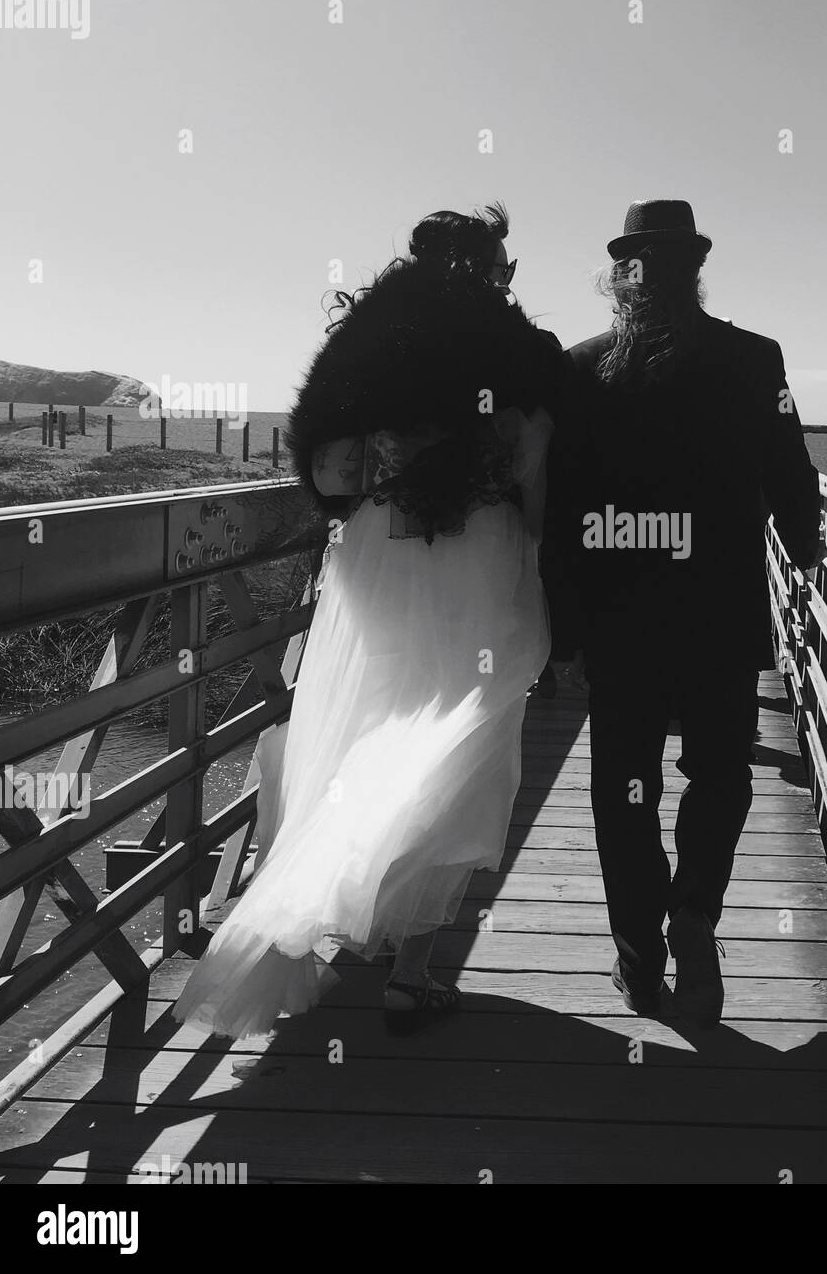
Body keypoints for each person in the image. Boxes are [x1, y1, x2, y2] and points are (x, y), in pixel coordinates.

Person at [173, 203, 563, 1038]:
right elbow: (532, 462)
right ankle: (412, 970)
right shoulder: (518, 349)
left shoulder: (363, 340)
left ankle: (315, 898)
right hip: (478, 553)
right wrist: (538, 544)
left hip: (374, 553)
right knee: (462, 735)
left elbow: (322, 454)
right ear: (492, 265)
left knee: (369, 720)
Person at [541, 198, 824, 1027]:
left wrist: (562, 630)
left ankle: (638, 952)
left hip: (619, 618)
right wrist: (804, 552)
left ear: (626, 277)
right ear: (694, 272)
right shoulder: (754, 358)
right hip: (724, 611)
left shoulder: (582, 368)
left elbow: (561, 511)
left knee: (624, 785)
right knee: (720, 771)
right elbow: (792, 476)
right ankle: (695, 908)